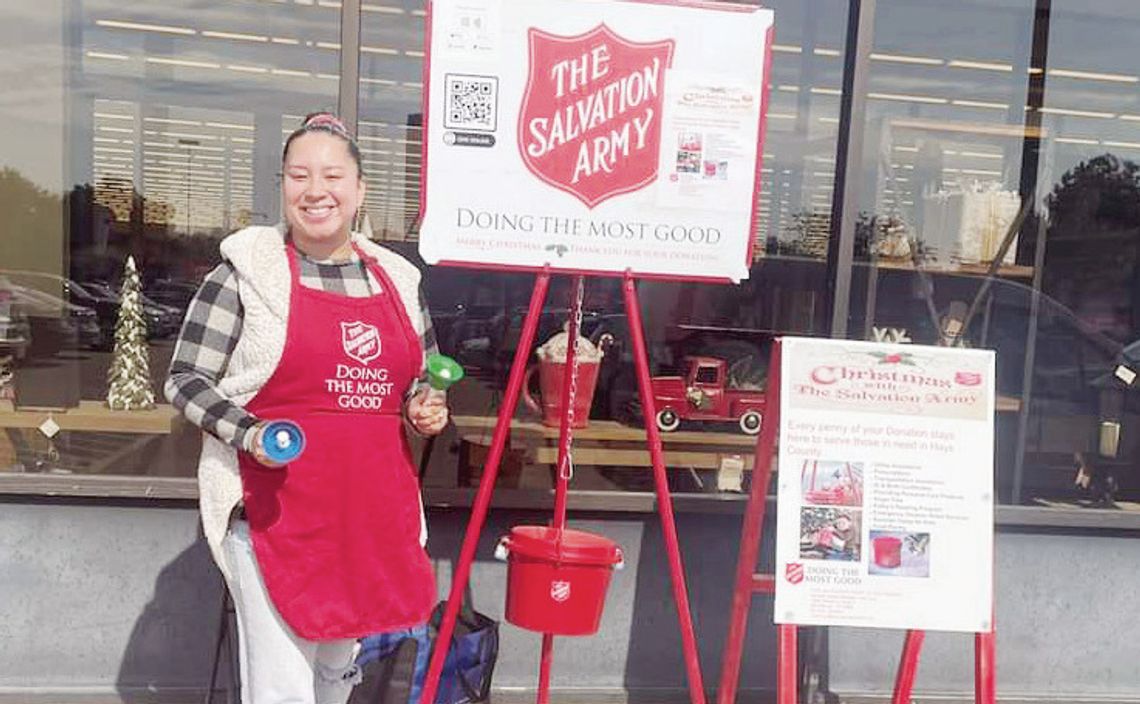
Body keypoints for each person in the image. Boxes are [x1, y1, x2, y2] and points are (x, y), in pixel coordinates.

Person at [165, 112, 448, 704]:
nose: (315, 190)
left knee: (336, 674)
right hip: (275, 514)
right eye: (299, 175)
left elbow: (419, 382)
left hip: (368, 517)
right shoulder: (243, 276)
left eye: (332, 175)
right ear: (283, 186)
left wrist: (425, 407)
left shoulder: (399, 280)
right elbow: (185, 379)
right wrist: (248, 430)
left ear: (360, 189)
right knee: (281, 689)